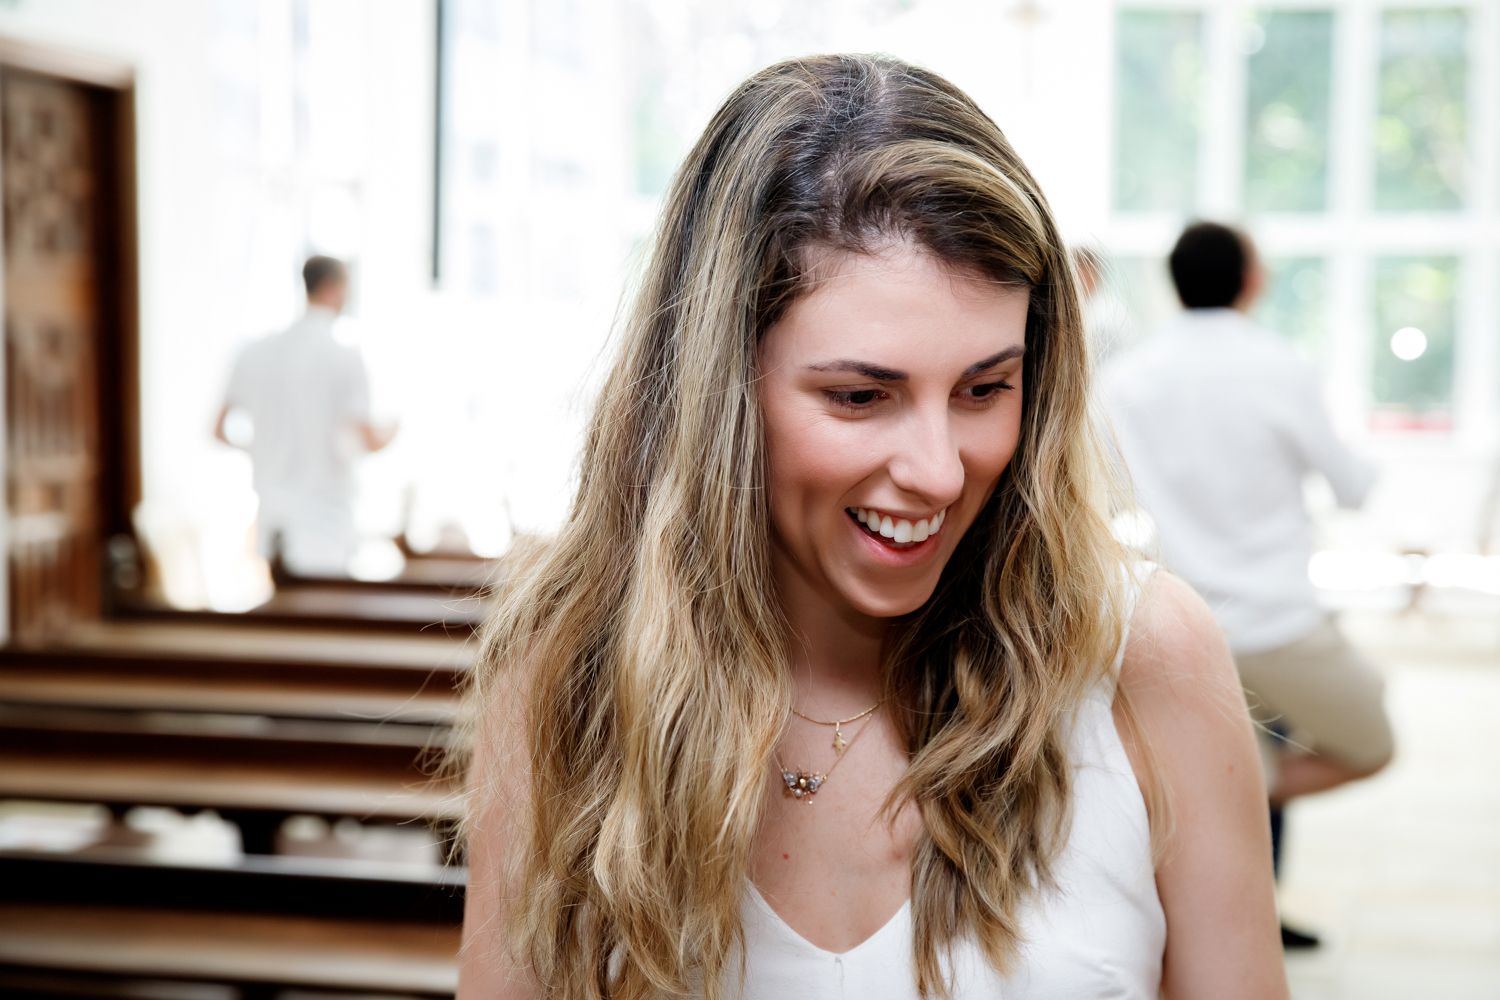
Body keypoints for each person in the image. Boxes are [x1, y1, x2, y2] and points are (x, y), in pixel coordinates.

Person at [459, 57, 1284, 999]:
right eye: (860, 396)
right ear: (718, 394)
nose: (940, 471)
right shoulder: (568, 674)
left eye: (985, 388)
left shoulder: (1145, 654)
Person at [1100, 221, 1395, 943]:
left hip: (1180, 623)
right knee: (1371, 742)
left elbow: (1101, 493)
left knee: (1235, 760)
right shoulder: (1279, 366)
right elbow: (1351, 487)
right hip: (1280, 622)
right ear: (1251, 280)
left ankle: (1234, 841)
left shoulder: (1127, 377)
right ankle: (1241, 841)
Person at [214, 255, 396, 576]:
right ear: (333, 288)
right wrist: (394, 430)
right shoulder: (344, 357)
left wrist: (260, 451)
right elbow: (369, 439)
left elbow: (218, 430)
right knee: (323, 603)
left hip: (273, 519)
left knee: (282, 600)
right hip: (325, 522)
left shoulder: (255, 352)